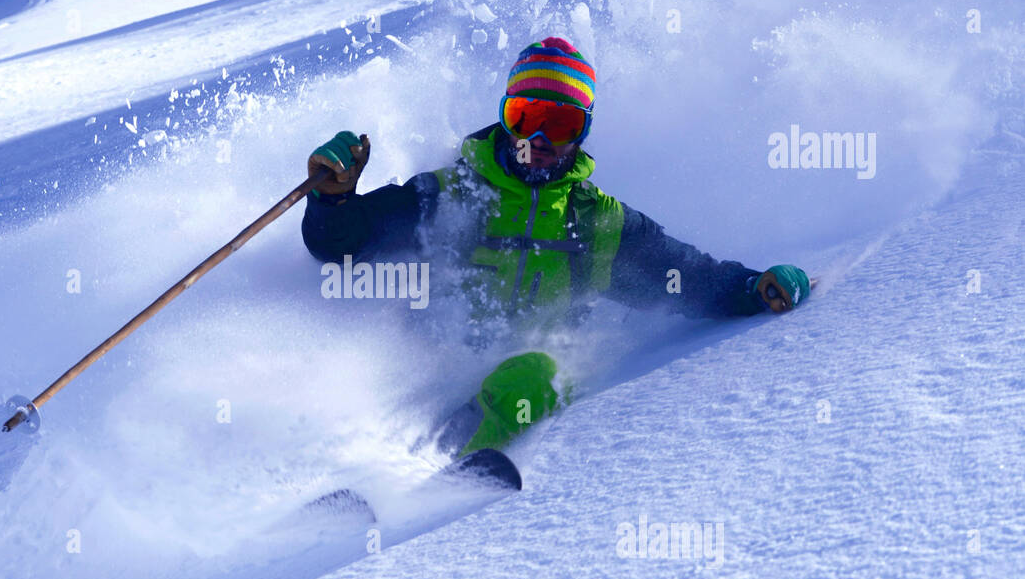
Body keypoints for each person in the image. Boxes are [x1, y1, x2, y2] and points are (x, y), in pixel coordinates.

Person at [301, 36, 810, 458]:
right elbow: (344, 251)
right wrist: (334, 200)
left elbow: (682, 277)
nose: (541, 137)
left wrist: (750, 288)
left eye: (564, 123)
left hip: (517, 389)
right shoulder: (454, 195)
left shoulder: (595, 224)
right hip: (424, 370)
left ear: (582, 134)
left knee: (537, 371)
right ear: (505, 117)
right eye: (526, 116)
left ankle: (430, 477)